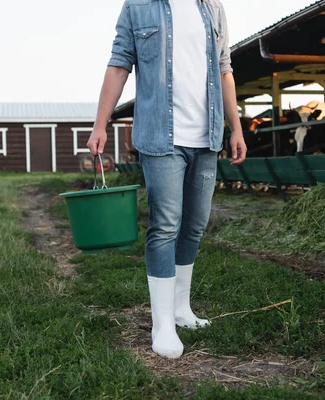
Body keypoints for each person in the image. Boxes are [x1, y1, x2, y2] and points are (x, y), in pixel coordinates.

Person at [87, 0, 246, 359]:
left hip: (206, 137)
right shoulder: (138, 6)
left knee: (194, 225)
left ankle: (181, 309)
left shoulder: (213, 8)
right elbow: (118, 66)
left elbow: (224, 70)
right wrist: (101, 123)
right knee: (165, 225)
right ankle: (162, 325)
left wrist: (235, 128)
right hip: (162, 137)